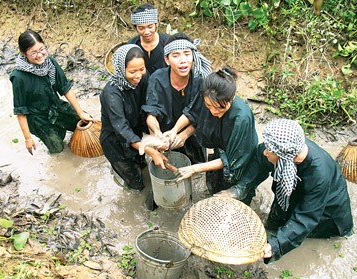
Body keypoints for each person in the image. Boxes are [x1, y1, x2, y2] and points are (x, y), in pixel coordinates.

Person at [233, 119, 354, 263]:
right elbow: (260, 159)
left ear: (285, 157)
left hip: (326, 214)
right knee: (276, 223)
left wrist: (276, 245)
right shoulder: (286, 147)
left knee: (298, 233)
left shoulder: (319, 175)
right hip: (295, 196)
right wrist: (238, 189)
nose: (265, 152)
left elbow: (306, 217)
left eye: (269, 150)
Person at [10, 29, 97, 155]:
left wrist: (80, 112)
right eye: (33, 52)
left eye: (41, 49)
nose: (39, 55)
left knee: (87, 122)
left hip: (56, 107)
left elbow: (65, 88)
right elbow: (21, 111)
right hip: (39, 119)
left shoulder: (50, 63)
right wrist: (28, 138)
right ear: (24, 54)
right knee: (58, 149)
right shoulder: (19, 77)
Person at [176, 66, 258, 197]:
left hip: (240, 159)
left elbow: (232, 160)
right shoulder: (207, 94)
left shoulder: (241, 119)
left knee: (234, 193)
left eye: (220, 108)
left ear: (231, 98)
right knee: (214, 186)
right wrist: (175, 131)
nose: (213, 112)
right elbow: (192, 113)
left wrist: (195, 168)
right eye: (209, 106)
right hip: (220, 149)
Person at [100, 44, 166, 191]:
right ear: (120, 69)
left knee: (141, 164)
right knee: (135, 183)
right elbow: (121, 128)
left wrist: (155, 133)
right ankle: (127, 180)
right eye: (132, 71)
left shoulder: (143, 77)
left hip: (135, 132)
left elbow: (150, 101)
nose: (138, 75)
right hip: (115, 143)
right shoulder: (111, 93)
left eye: (141, 69)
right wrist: (151, 151)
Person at [141, 32, 212, 164]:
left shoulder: (200, 81)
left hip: (192, 135)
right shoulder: (157, 78)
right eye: (176, 55)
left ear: (193, 56)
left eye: (187, 53)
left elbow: (202, 116)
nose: (183, 60)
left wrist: (183, 135)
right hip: (165, 136)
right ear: (167, 60)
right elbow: (151, 114)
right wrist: (157, 133)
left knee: (196, 169)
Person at [127, 3, 170, 75]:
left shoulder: (168, 42)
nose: (146, 32)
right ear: (136, 28)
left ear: (156, 25)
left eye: (150, 27)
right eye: (141, 28)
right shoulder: (132, 45)